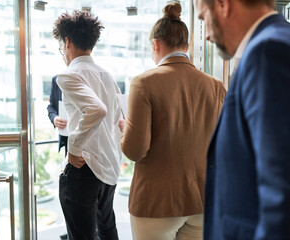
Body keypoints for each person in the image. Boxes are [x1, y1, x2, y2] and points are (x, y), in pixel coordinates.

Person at [194, 0, 290, 239]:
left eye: (203, 18)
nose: (206, 35)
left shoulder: (269, 53)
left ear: (223, 4)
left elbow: (288, 199)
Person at [118, 3, 226, 240]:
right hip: (203, 201)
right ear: (187, 46)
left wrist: (124, 129)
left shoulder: (143, 82)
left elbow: (135, 151)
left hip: (157, 203)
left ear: (156, 44)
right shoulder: (216, 86)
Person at [52, 10, 122, 240]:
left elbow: (97, 110)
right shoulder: (108, 76)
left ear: (67, 42)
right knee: (107, 231)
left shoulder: (69, 75)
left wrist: (74, 148)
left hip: (84, 168)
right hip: (107, 169)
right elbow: (116, 120)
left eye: (62, 45)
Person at [47, 76, 68, 240]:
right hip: (68, 141)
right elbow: (51, 106)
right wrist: (55, 118)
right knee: (69, 191)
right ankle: (72, 230)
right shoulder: (58, 79)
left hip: (90, 143)